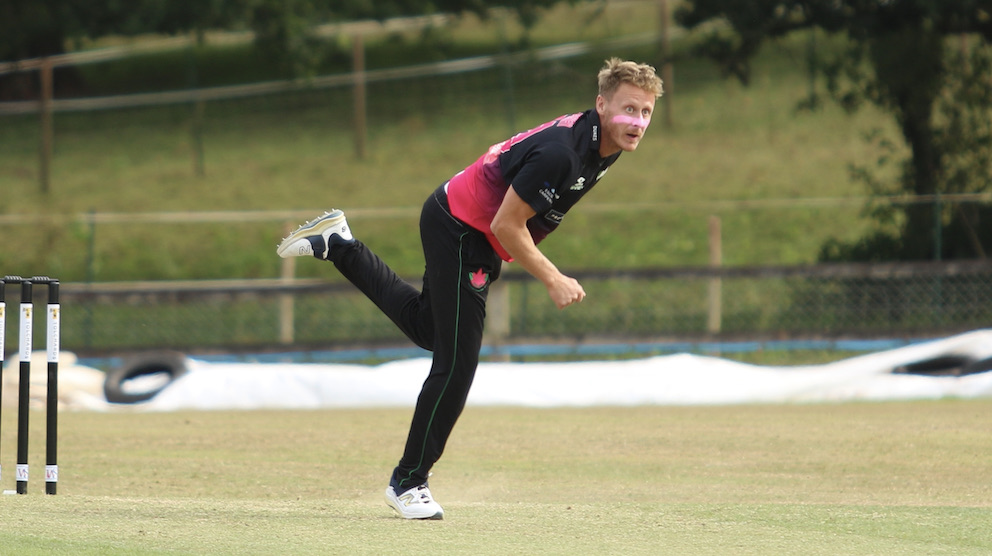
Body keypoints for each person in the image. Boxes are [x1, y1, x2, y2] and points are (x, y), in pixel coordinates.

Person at [276, 58, 663, 520]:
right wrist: (553, 278)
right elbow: (507, 223)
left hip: (469, 227)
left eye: (645, 112)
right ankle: (408, 482)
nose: (637, 122)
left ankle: (339, 244)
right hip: (462, 228)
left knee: (430, 330)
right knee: (456, 363)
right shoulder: (564, 152)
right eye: (628, 109)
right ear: (601, 104)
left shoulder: (604, 146)